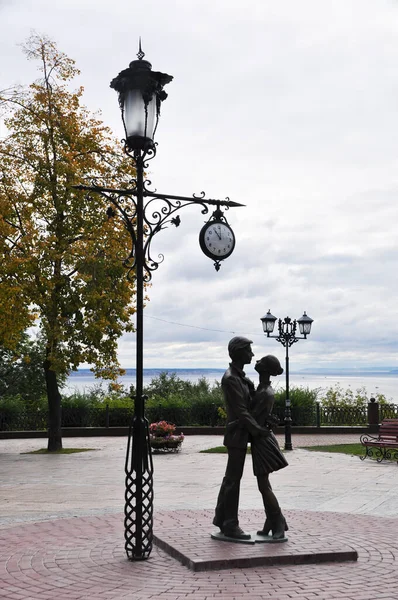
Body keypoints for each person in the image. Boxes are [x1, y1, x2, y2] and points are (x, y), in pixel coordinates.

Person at [213, 336, 269, 539]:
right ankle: (230, 524)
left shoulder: (242, 378)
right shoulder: (231, 379)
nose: (252, 355)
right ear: (238, 352)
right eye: (248, 350)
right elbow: (241, 411)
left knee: (231, 478)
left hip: (242, 432)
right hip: (237, 434)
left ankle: (221, 519)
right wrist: (258, 430)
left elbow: (252, 404)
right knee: (233, 479)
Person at [251, 355, 289, 540]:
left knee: (263, 486)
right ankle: (270, 521)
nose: (256, 361)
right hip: (262, 438)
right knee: (264, 485)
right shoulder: (262, 389)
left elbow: (253, 418)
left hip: (262, 440)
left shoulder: (265, 392)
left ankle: (278, 521)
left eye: (261, 361)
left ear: (265, 369)